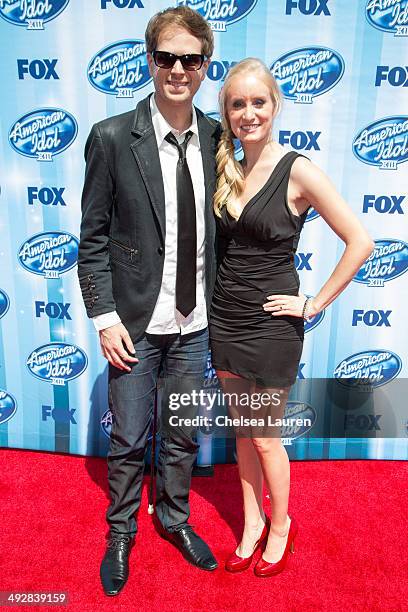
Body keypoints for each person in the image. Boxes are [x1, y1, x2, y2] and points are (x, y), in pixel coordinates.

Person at [209, 58, 374, 577]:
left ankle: (281, 525)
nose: (249, 113)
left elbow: (361, 242)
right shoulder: (227, 166)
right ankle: (252, 522)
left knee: (264, 436)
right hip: (225, 319)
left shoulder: (297, 169)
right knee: (242, 434)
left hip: (270, 328)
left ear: (275, 106)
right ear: (228, 113)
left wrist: (315, 302)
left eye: (259, 102)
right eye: (238, 104)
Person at [77, 6, 221, 596]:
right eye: (167, 58)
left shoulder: (219, 137)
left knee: (182, 431)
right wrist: (105, 317)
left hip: (195, 324)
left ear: (206, 65)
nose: (178, 69)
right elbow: (93, 239)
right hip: (134, 322)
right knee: (131, 435)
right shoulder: (113, 137)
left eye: (190, 59)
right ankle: (120, 533)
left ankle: (175, 520)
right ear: (150, 60)